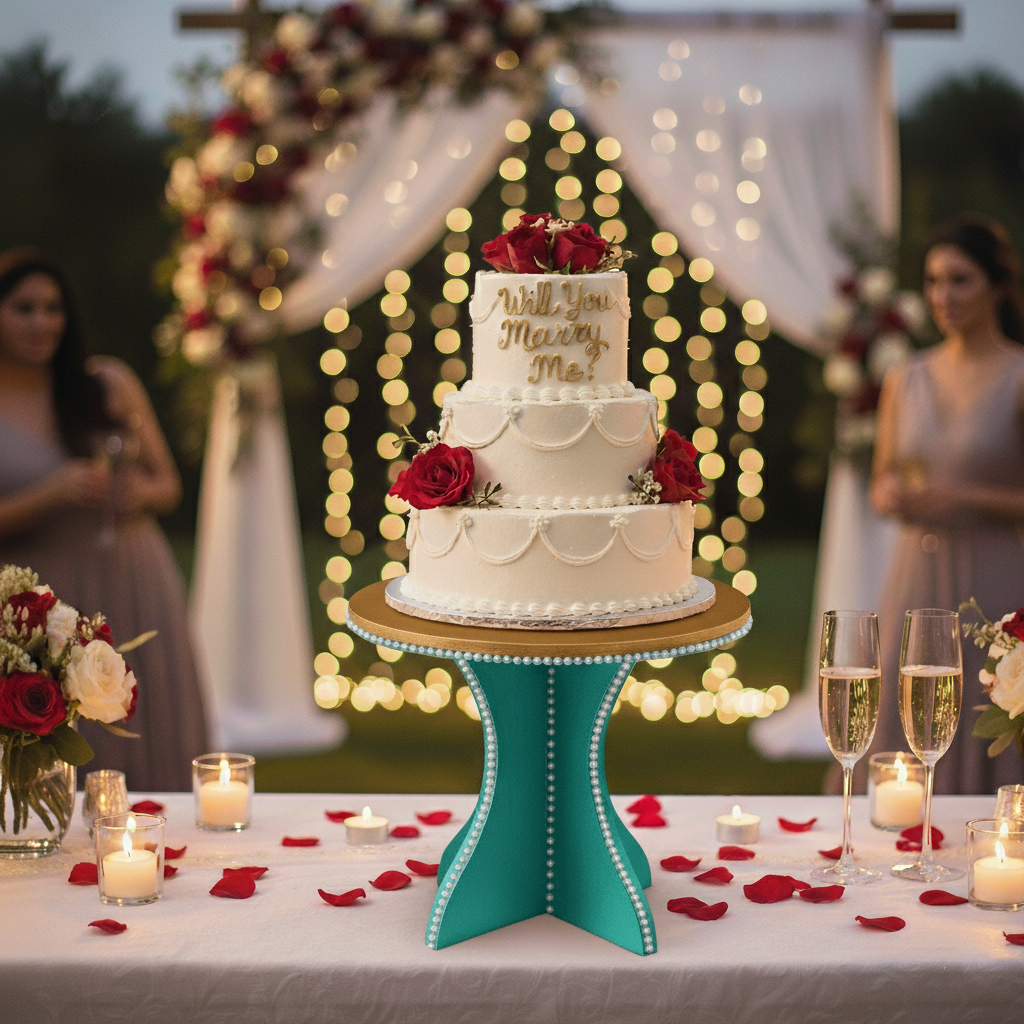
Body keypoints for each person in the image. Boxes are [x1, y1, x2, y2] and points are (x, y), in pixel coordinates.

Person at [0, 247, 209, 791]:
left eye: (53, 308)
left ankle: (149, 840)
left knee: (143, 714)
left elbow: (169, 485)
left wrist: (135, 491)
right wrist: (51, 494)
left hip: (131, 578)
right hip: (39, 603)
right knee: (54, 732)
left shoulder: (105, 383)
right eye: (24, 308)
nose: (41, 321)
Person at [869, 215, 1024, 793]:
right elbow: (882, 480)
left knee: (993, 710)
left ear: (997, 286)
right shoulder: (904, 377)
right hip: (915, 577)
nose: (943, 296)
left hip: (996, 585)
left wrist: (960, 496)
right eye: (934, 281)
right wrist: (889, 494)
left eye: (960, 280)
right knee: (904, 707)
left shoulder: (1017, 376)